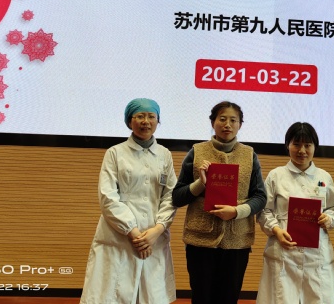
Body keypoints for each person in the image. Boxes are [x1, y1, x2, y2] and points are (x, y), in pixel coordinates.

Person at [80, 98, 177, 304]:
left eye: (151, 116)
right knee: (113, 295)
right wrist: (133, 232)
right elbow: (108, 197)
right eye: (140, 116)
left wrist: (158, 229)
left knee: (151, 296)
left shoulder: (164, 155)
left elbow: (171, 195)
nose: (146, 121)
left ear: (158, 120)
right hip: (119, 236)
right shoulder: (115, 153)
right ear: (129, 121)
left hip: (154, 237)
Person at [172, 101, 267, 304]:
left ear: (240, 124)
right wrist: (200, 183)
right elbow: (177, 197)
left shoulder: (249, 155)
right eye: (222, 119)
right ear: (213, 122)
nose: (227, 125)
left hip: (237, 241)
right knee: (201, 298)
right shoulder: (196, 152)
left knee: (228, 298)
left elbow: (260, 197)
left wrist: (237, 211)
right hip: (200, 240)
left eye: (233, 120)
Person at [257, 122, 334, 304]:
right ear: (287, 145)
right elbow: (264, 211)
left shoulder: (324, 177)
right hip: (283, 253)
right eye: (296, 144)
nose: (302, 150)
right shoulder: (276, 175)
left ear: (314, 147)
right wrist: (276, 230)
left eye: (307, 145)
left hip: (316, 255)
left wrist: (329, 219)